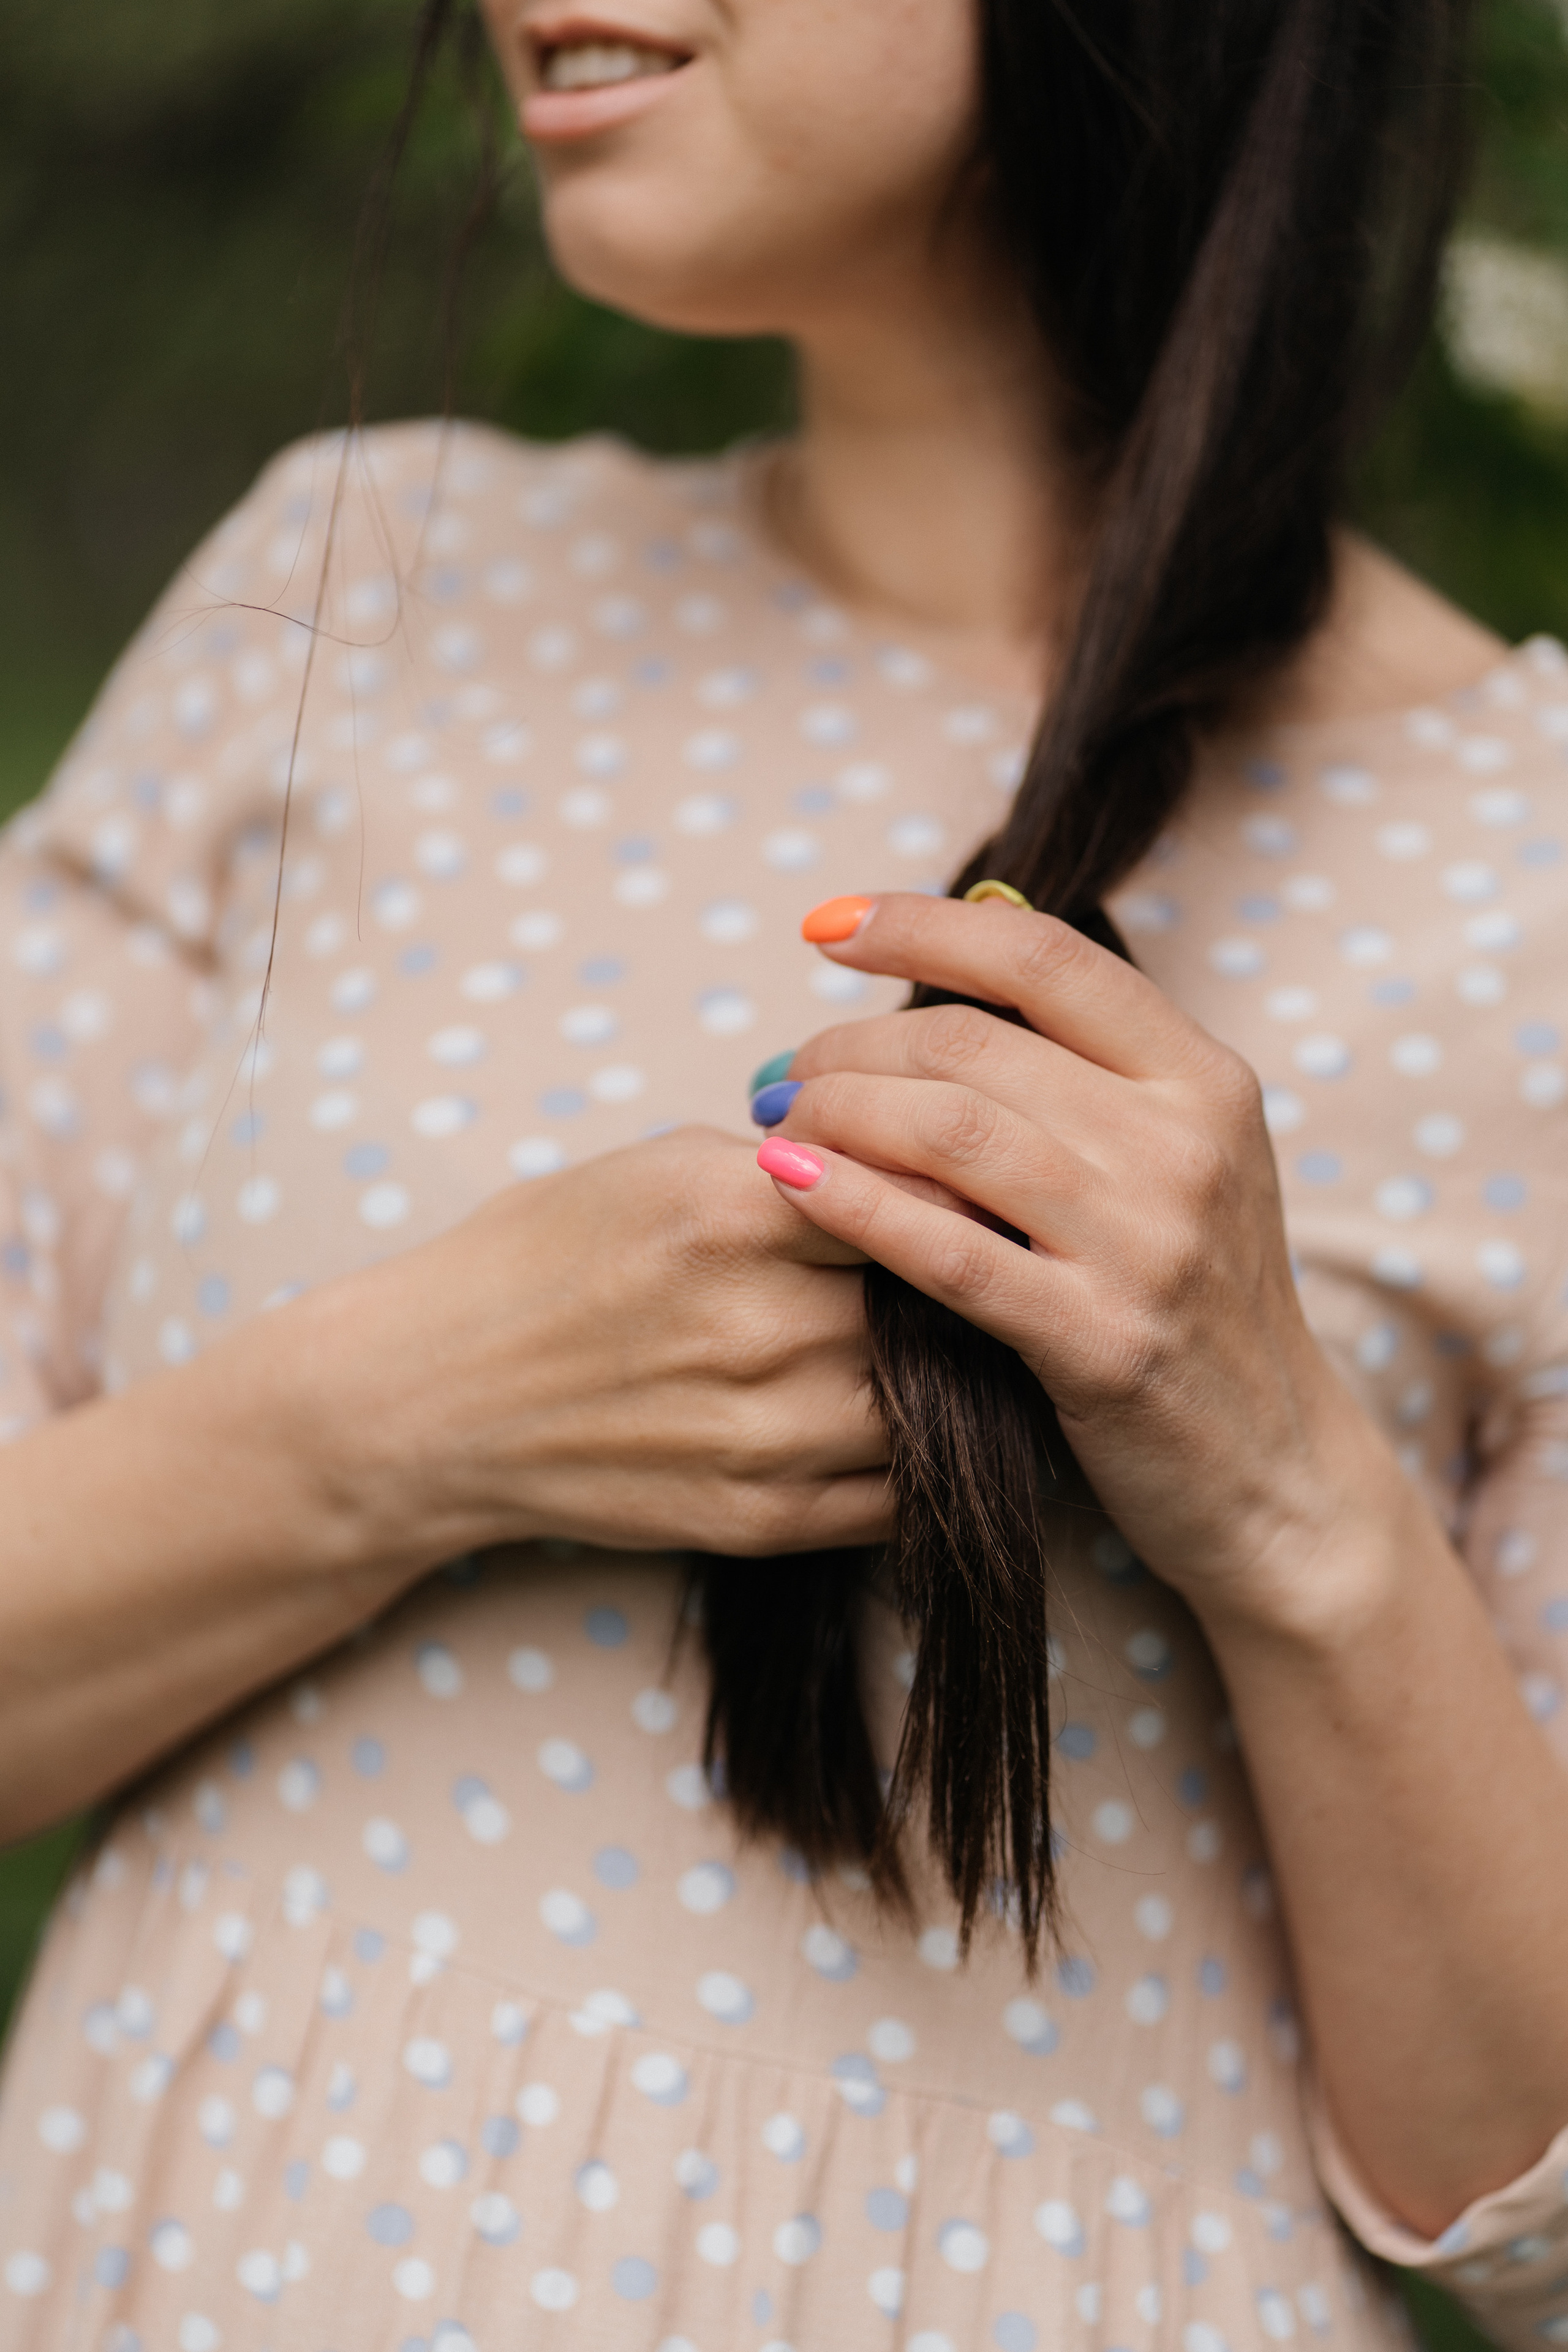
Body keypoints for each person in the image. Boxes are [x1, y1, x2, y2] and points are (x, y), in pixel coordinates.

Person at [2, 0, 1568, 2342]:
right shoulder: (357, 575)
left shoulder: (1525, 868)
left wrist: (1287, 1498)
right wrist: (402, 1416)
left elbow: (1535, 2224)